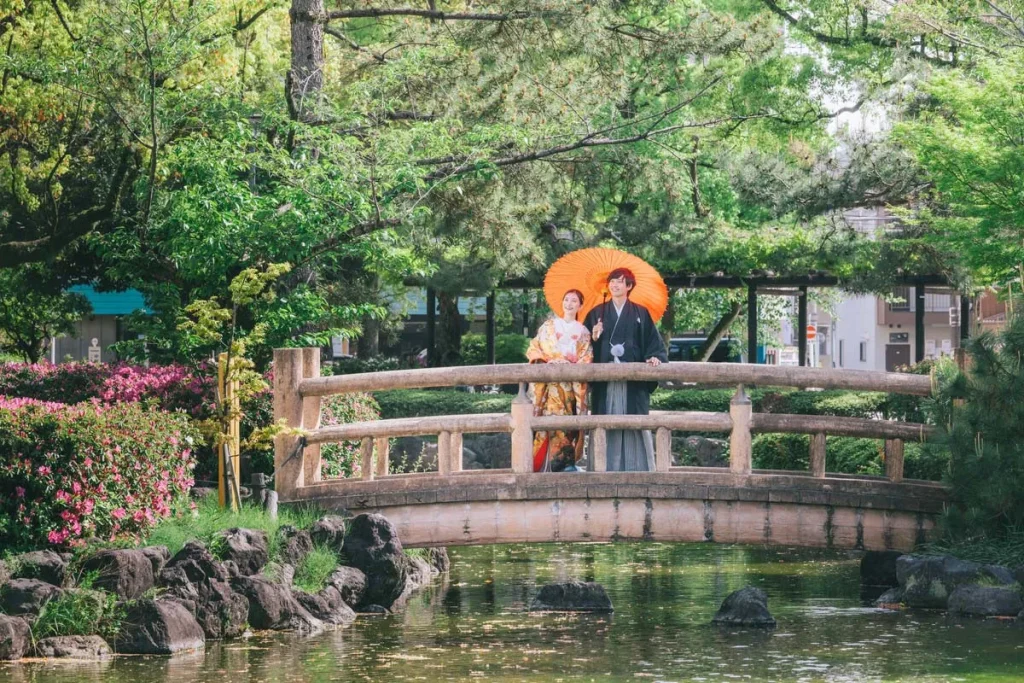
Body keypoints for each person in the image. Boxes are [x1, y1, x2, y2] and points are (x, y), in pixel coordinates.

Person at [583, 268, 668, 471]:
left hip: (633, 381)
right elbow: (583, 347)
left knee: (634, 420)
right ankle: (602, 467)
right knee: (605, 418)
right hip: (605, 379)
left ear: (629, 286)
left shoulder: (641, 312)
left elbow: (653, 343)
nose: (614, 285)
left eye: (620, 282)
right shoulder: (597, 313)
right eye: (612, 281)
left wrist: (655, 357)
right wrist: (594, 337)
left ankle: (637, 468)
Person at [526, 289, 593, 472]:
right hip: (548, 383)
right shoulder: (548, 326)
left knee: (566, 423)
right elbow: (535, 347)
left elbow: (586, 356)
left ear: (580, 305)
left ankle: (563, 464)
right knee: (545, 422)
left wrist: (568, 363)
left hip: (569, 385)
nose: (569, 304)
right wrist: (550, 359)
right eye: (566, 299)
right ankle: (542, 463)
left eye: (574, 301)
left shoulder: (583, 331)